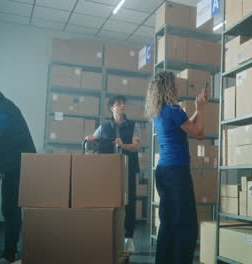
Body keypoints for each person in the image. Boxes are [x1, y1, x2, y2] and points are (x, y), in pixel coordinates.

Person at [145, 71, 207, 264]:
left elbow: (185, 125)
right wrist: (202, 109)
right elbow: (198, 133)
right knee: (186, 225)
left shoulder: (159, 112)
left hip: (163, 172)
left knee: (169, 223)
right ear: (168, 88)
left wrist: (196, 109)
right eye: (175, 85)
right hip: (177, 173)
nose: (177, 88)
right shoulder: (175, 110)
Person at [0, 79, 36, 264]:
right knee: (11, 210)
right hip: (15, 167)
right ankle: (11, 252)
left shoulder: (3, 112)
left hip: (18, 167)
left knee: (10, 210)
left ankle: (9, 255)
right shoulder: (2, 109)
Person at [86, 95, 141, 252]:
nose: (123, 106)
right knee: (108, 202)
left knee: (129, 202)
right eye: (119, 104)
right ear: (112, 108)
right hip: (108, 172)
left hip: (128, 169)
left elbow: (136, 147)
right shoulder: (103, 127)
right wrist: (89, 140)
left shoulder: (133, 125)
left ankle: (128, 237)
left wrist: (123, 145)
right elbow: (91, 146)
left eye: (124, 103)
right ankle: (107, 234)